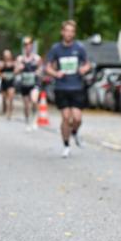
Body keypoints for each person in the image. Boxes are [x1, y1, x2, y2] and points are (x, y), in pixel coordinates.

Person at [44, 20, 91, 157]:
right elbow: (47, 67)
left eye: (72, 31)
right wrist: (55, 73)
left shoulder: (79, 48)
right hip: (62, 87)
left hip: (76, 86)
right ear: (62, 32)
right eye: (67, 31)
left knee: (77, 118)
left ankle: (75, 132)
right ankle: (66, 145)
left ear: (74, 33)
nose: (69, 33)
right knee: (66, 117)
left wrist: (84, 69)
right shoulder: (56, 49)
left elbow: (88, 64)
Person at [16, 37, 41, 131]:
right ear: (24, 47)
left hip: (34, 83)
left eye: (29, 45)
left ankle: (34, 119)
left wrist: (37, 72)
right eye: (26, 45)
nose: (28, 47)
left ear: (32, 46)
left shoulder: (37, 58)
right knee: (26, 105)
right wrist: (19, 68)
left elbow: (40, 69)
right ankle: (27, 121)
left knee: (34, 101)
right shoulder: (20, 58)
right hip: (24, 83)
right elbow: (15, 71)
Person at [0, 49, 17, 120]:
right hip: (4, 82)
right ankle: (4, 109)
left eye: (8, 55)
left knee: (11, 97)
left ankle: (10, 112)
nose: (7, 57)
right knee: (4, 98)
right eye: (5, 55)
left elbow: (17, 71)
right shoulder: (1, 64)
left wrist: (15, 72)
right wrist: (1, 75)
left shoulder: (13, 63)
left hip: (11, 82)